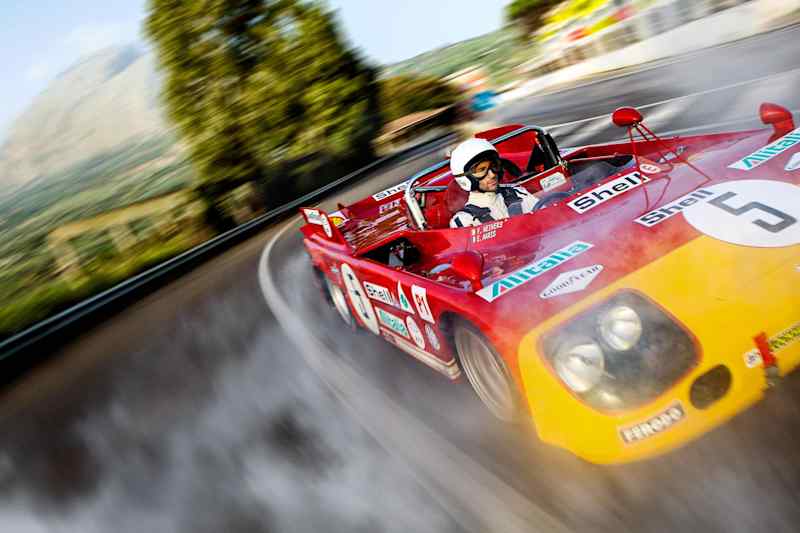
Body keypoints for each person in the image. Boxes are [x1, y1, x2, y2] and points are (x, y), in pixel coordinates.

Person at [449, 138, 539, 228]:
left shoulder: (518, 193)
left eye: (494, 166)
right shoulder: (464, 220)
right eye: (482, 170)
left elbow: (545, 218)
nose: (492, 174)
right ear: (465, 178)